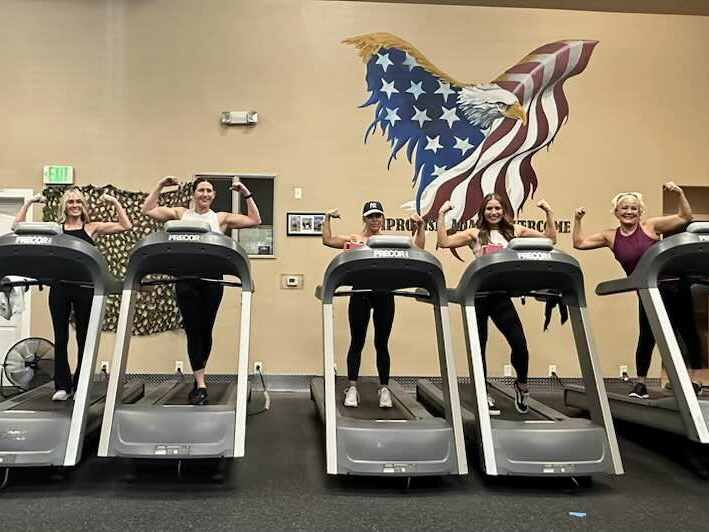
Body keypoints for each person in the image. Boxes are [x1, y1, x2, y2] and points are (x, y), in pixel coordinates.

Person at [572, 181, 701, 399]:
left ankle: (695, 379)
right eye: (625, 208)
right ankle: (640, 383)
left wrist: (679, 193)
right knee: (647, 335)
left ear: (640, 211)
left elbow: (685, 217)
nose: (629, 212)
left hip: (675, 284)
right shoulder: (610, 236)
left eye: (633, 208)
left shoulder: (650, 227)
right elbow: (579, 243)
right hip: (648, 289)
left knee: (686, 329)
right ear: (617, 212)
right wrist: (577, 219)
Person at [141, 176, 261, 405]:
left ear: (213, 195)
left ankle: (199, 374)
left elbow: (255, 220)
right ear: (193, 194)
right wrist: (159, 185)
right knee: (193, 329)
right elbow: (147, 209)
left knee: (206, 330)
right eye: (201, 190)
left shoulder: (220, 218)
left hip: (212, 278)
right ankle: (201, 382)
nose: (205, 194)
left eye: (209, 191)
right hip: (185, 278)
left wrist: (246, 192)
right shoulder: (180, 214)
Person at [436, 193, 557, 414]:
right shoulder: (474, 233)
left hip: (501, 296)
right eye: (489, 209)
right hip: (478, 296)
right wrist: (442, 214)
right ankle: (483, 393)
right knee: (479, 348)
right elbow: (444, 243)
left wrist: (548, 213)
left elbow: (551, 239)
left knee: (519, 345)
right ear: (483, 212)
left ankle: (521, 385)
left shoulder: (515, 231)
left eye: (497, 209)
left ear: (504, 211)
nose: (493, 213)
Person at [12, 187, 132, 401]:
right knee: (61, 337)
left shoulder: (92, 228)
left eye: (78, 202)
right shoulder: (56, 230)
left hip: (86, 288)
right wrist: (29, 202)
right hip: (60, 288)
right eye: (70, 202)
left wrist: (114, 201)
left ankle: (81, 385)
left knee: (84, 338)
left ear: (83, 206)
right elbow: (16, 227)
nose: (75, 206)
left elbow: (126, 225)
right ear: (64, 206)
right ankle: (63, 387)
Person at [322, 201, 425, 408]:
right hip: (360, 293)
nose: (375, 219)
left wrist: (420, 226)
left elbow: (419, 248)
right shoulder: (355, 239)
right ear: (364, 219)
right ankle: (352, 388)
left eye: (378, 215)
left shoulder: (390, 241)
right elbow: (328, 240)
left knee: (381, 343)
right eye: (370, 216)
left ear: (383, 218)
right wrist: (326, 217)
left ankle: (384, 389)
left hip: (384, 294)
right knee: (357, 341)